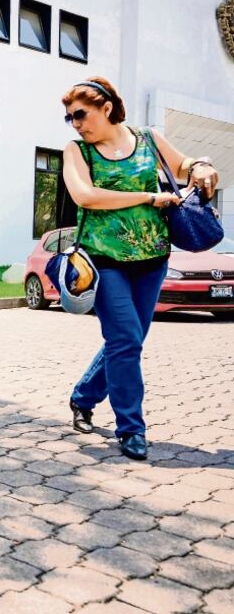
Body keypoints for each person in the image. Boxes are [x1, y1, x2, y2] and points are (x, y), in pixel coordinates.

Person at [60, 77, 219, 460]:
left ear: (107, 108)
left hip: (152, 260)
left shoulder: (146, 138)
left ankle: (82, 398)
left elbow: (181, 166)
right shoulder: (78, 151)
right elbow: (86, 196)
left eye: (80, 114)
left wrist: (199, 167)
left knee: (127, 341)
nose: (75, 123)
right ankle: (131, 428)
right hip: (104, 260)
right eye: (69, 118)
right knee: (126, 339)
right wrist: (149, 196)